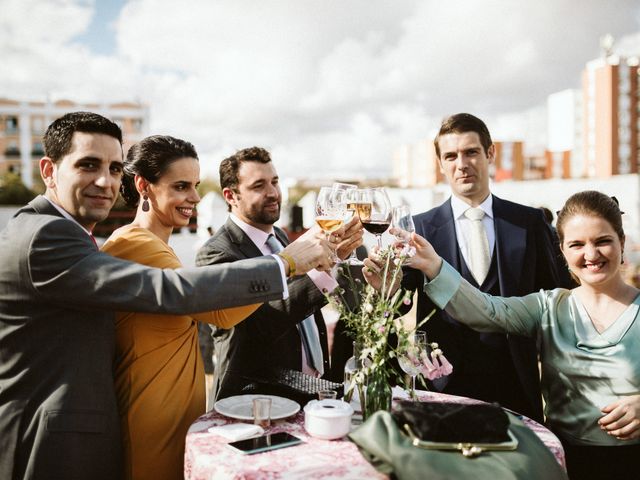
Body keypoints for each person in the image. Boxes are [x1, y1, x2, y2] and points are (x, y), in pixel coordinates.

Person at [0, 112, 333, 480]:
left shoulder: (81, 238)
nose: (105, 180)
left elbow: (211, 310)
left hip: (139, 417)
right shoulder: (49, 235)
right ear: (48, 171)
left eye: (113, 168)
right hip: (70, 434)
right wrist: (285, 263)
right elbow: (179, 293)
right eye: (88, 165)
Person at [377, 191, 640, 480]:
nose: (591, 255)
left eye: (602, 241)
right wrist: (433, 266)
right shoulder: (548, 306)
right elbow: (485, 310)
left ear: (622, 242)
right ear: (563, 251)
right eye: (577, 244)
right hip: (563, 461)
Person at [100, 136, 259, 479]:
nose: (195, 197)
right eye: (181, 186)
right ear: (144, 186)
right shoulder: (133, 245)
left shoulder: (156, 246)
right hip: (150, 423)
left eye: (196, 185)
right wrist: (288, 264)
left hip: (175, 419)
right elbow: (218, 311)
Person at [397, 113, 572, 422]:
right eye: (451, 156)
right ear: (440, 164)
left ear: (490, 154)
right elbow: (397, 306)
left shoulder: (529, 223)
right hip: (444, 386)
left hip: (517, 386)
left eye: (471, 152)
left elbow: (562, 301)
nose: (461, 163)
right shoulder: (417, 228)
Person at [195, 146, 363, 399]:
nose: (273, 193)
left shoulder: (281, 237)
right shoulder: (217, 253)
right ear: (231, 196)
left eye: (274, 182)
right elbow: (257, 325)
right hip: (256, 399)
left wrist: (334, 257)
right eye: (258, 186)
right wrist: (318, 273)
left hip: (310, 391)